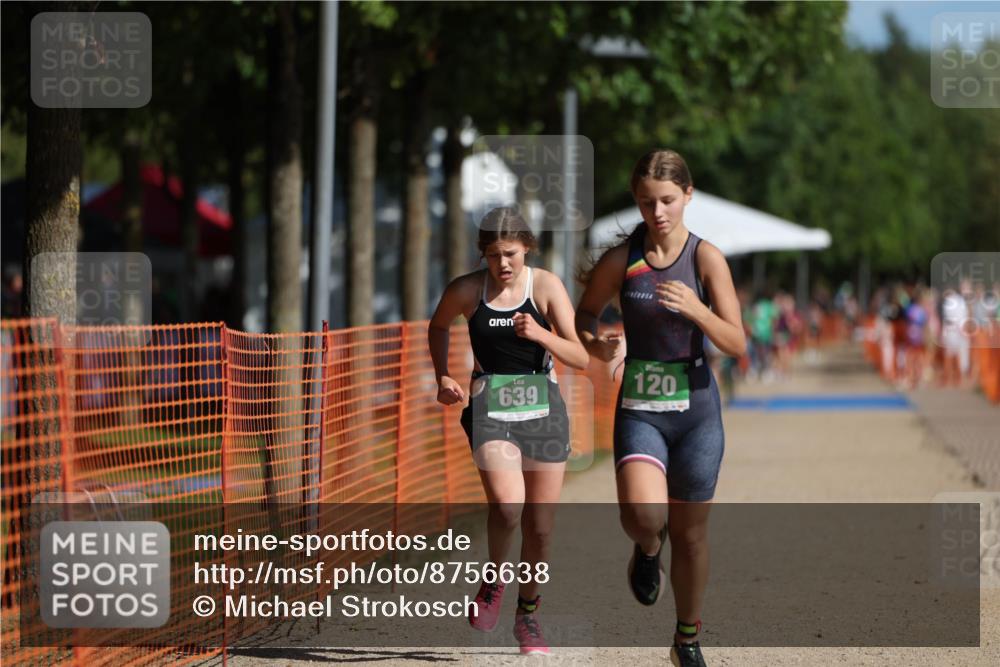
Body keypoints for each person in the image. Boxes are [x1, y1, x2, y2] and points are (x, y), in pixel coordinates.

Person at [575, 150, 745, 667]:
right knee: (644, 516)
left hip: (696, 412)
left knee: (692, 536)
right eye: (648, 202)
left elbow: (737, 341)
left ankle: (687, 639)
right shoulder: (622, 260)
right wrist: (597, 343)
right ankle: (648, 550)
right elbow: (586, 313)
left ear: (688, 195)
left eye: (668, 200)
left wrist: (697, 309)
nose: (659, 212)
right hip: (642, 409)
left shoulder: (706, 259)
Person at [427, 207, 588, 655]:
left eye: (512, 254)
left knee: (540, 528)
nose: (503, 265)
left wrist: (541, 334)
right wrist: (443, 374)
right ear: (483, 254)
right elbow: (438, 325)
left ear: (527, 249)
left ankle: (528, 616)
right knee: (507, 504)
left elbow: (578, 357)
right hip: (490, 408)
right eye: (494, 255)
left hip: (544, 411)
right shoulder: (466, 290)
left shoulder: (546, 286)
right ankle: (496, 579)